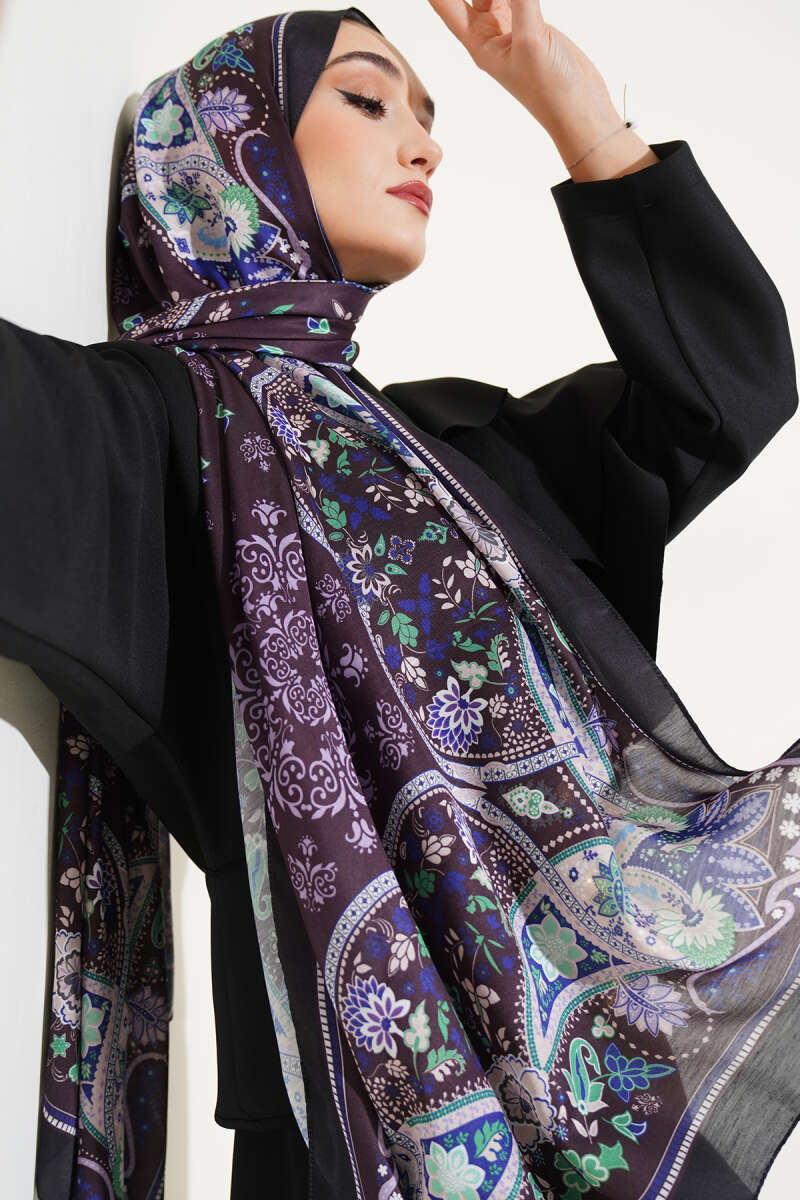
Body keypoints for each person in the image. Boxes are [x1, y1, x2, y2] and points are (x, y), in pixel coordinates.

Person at [2, 5, 798, 1199]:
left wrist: (564, 95)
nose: (422, 145)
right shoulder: (151, 437)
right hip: (352, 1129)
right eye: (368, 100)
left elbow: (724, 395)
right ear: (228, 150)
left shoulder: (462, 457)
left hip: (604, 1108)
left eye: (427, 120)